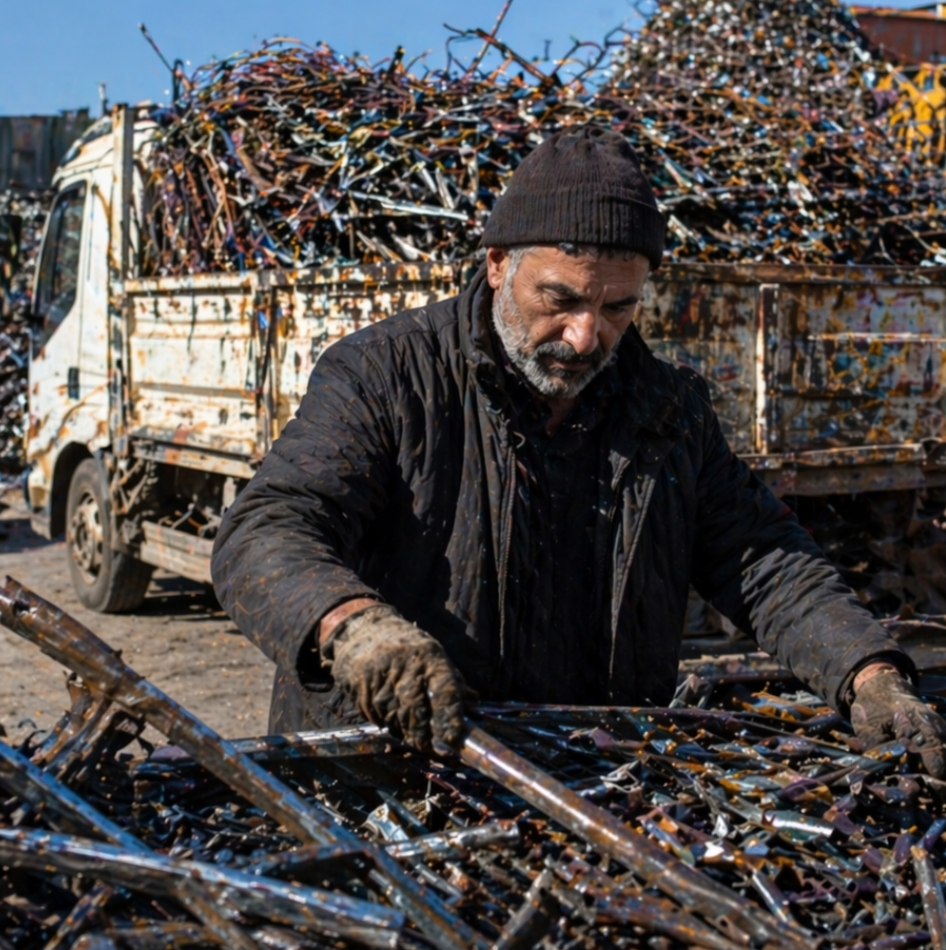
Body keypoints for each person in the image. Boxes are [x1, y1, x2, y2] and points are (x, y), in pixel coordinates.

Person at [212, 125, 946, 774]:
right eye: (560, 300)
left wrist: (867, 669)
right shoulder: (384, 374)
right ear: (498, 264)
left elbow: (763, 560)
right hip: (388, 771)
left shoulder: (669, 411)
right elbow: (267, 529)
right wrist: (354, 632)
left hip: (586, 774)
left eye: (617, 308)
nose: (586, 336)